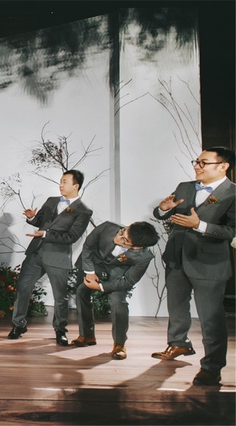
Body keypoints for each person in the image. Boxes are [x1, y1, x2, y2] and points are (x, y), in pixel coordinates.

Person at [151, 147, 235, 386]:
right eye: (196, 161)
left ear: (223, 166)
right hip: (176, 258)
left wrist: (200, 225)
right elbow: (164, 214)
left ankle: (212, 367)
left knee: (211, 318)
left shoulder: (233, 193)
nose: (197, 166)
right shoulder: (185, 187)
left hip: (209, 264)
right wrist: (163, 209)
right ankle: (179, 344)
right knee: (176, 307)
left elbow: (232, 232)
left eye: (203, 163)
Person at [7, 170, 93, 345]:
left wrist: (46, 234)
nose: (60, 185)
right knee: (22, 288)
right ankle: (18, 325)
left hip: (57, 257)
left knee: (60, 297)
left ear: (76, 186)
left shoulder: (83, 211)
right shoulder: (51, 201)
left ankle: (60, 330)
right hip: (36, 253)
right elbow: (41, 222)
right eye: (60, 181)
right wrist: (32, 218)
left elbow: (71, 237)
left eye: (64, 182)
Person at [71, 221, 159, 360]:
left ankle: (119, 345)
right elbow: (88, 247)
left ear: (137, 247)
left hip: (117, 274)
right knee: (82, 292)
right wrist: (89, 272)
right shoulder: (107, 227)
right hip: (94, 264)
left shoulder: (143, 256)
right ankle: (87, 336)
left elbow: (128, 280)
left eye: (124, 240)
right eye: (122, 232)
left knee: (118, 302)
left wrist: (101, 287)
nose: (118, 237)